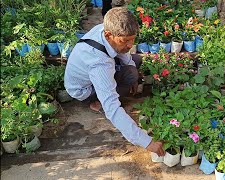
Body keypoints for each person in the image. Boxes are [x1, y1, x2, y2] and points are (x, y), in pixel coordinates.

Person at [64, 7, 165, 156]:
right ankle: (97, 102)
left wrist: (134, 76)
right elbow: (112, 106)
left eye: (133, 39)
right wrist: (147, 142)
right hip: (83, 90)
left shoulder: (104, 29)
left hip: (86, 75)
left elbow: (125, 56)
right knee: (124, 82)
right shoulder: (99, 64)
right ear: (109, 35)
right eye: (125, 41)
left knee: (134, 62)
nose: (130, 45)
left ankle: (110, 90)